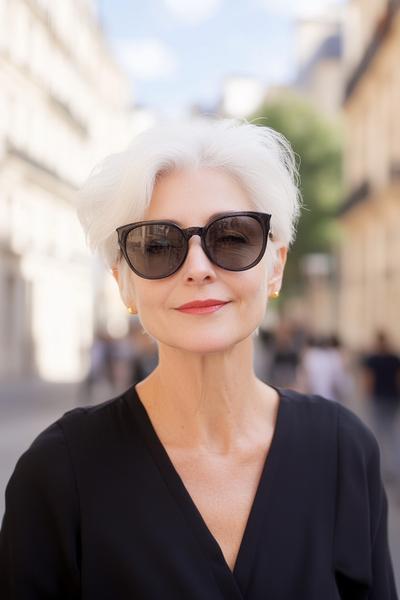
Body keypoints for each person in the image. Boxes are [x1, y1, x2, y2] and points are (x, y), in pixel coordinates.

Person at [0, 118, 397, 599]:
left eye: (232, 237)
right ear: (123, 283)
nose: (198, 269)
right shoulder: (58, 473)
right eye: (157, 245)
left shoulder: (342, 451)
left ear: (276, 268)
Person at [361, 331, 400, 485]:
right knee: (391, 432)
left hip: (379, 397)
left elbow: (369, 379)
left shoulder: (373, 359)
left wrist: (367, 395)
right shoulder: (394, 358)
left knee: (377, 431)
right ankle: (393, 466)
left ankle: (379, 466)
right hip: (392, 398)